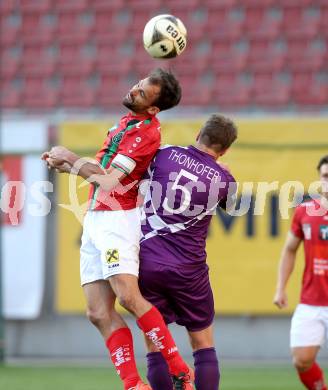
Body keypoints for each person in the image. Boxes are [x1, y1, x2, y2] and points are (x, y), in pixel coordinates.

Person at [41, 68, 194, 390]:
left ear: (153, 108)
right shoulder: (125, 123)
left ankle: (180, 369)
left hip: (117, 219)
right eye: (138, 85)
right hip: (97, 217)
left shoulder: (147, 133)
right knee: (97, 312)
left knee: (128, 296)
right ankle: (133, 385)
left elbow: (110, 181)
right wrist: (67, 165)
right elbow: (99, 172)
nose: (134, 91)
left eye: (142, 92)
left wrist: (70, 156)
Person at [138, 114, 238, 390]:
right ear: (225, 150)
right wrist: (223, 171)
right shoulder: (223, 178)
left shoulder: (165, 153)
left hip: (149, 263)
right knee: (202, 344)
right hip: (189, 270)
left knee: (155, 342)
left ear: (198, 134)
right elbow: (230, 207)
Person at [274, 155, 328, 390]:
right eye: (326, 176)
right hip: (312, 301)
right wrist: (280, 288)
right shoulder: (305, 212)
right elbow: (289, 250)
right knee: (302, 360)